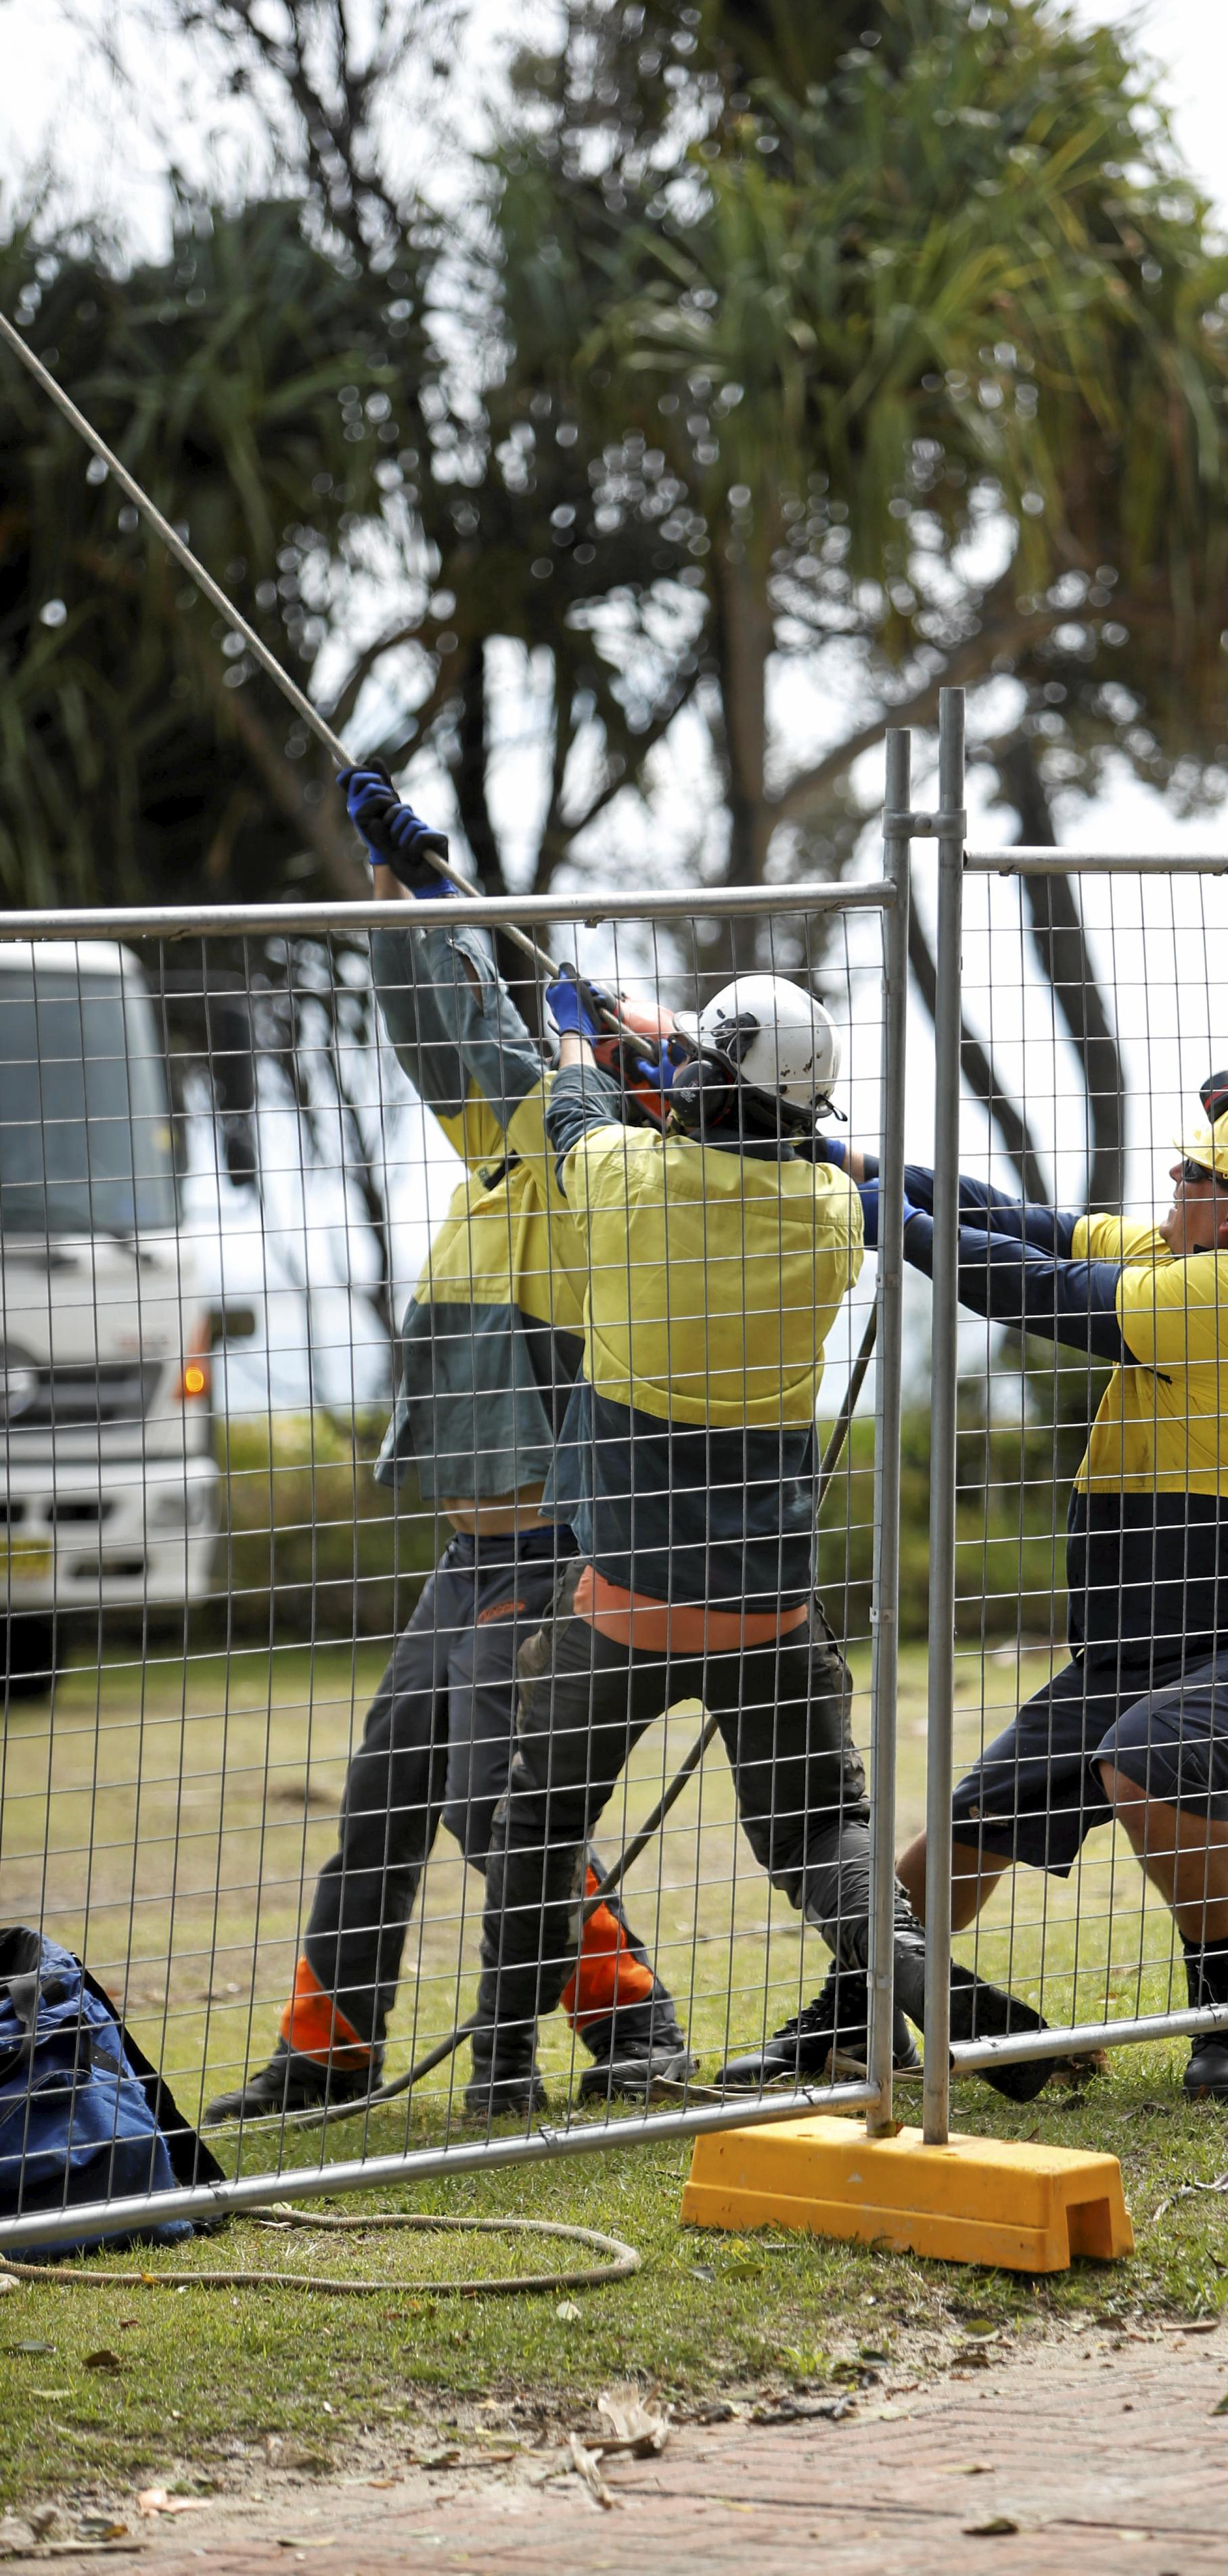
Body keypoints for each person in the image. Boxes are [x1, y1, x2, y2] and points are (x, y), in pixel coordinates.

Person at [469, 946, 1058, 2105]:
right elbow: (774, 1135)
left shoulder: (628, 1180)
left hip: (619, 1609)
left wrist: (584, 1030)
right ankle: (903, 1962)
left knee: (536, 1830)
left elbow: (578, 1105)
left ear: (696, 1089)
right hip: (766, 1610)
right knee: (816, 1832)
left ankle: (501, 2078)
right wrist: (662, 1037)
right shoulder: (830, 1213)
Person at [206, 770, 690, 2126]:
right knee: (386, 1797)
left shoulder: (618, 1186)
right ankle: (332, 2045)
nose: (574, 1046)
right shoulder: (524, 1151)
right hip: (467, 1545)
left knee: (494, 1805)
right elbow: (442, 1026)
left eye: (610, 1045)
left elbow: (479, 1033)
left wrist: (446, 901)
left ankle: (631, 2017)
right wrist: (406, 892)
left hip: (541, 1543)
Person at [802, 1074, 1228, 2105]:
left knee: (1151, 1757)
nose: (1172, 1176)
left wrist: (867, 1216)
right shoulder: (1189, 1261)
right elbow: (1017, 1222)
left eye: (1195, 1173)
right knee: (972, 1819)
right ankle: (844, 2022)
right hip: (1158, 1644)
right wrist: (858, 1168)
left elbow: (1027, 1286)